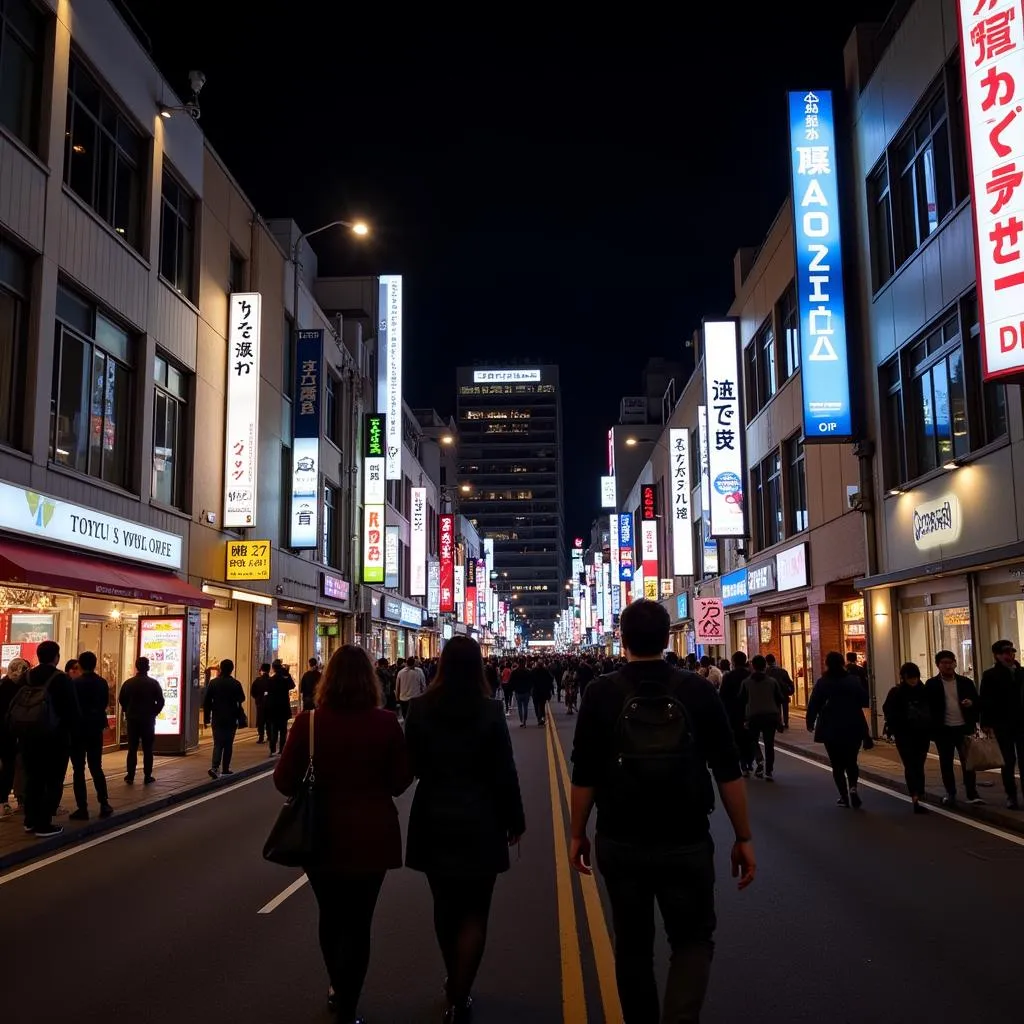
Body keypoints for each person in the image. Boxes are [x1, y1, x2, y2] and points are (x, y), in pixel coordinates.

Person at [569, 600, 756, 1023]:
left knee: (632, 945)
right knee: (692, 940)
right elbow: (727, 768)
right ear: (668, 635)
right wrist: (743, 836)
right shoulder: (696, 689)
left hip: (620, 836)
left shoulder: (601, 692)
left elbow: (585, 772)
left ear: (622, 637)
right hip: (686, 837)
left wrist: (577, 831)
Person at [275, 645, 412, 1023]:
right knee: (359, 920)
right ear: (372, 681)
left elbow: (283, 780)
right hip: (372, 835)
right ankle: (350, 1000)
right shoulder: (386, 723)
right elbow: (401, 782)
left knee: (331, 916)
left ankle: (338, 985)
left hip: (321, 835)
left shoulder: (310, 723)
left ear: (326, 680)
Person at [405, 636, 525, 1024]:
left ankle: (454, 982)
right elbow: (505, 771)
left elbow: (412, 766)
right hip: (483, 816)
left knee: (444, 906)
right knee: (476, 910)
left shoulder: (421, 709)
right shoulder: (490, 711)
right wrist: (515, 819)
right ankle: (460, 993)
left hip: (434, 814)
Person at [11, 641, 81, 838]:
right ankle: (44, 823)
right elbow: (72, 711)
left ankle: (30, 821)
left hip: (27, 736)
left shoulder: (26, 677)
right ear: (56, 657)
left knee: (33, 778)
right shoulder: (61, 679)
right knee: (53, 780)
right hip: (54, 738)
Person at [807, 651, 870, 808]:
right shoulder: (853, 681)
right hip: (853, 725)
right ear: (843, 663)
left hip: (831, 727)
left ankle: (843, 796)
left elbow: (814, 703)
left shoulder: (822, 682)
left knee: (837, 764)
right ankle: (853, 788)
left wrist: (810, 721)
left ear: (827, 663)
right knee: (851, 761)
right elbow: (864, 699)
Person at [924, 650, 982, 807]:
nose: (948, 666)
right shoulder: (932, 684)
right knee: (946, 762)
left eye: (951, 662)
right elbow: (927, 707)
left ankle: (972, 792)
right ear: (938, 665)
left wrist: (971, 705)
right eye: (944, 663)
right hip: (943, 730)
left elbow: (977, 702)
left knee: (968, 762)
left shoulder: (965, 682)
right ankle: (951, 792)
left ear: (955, 663)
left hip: (964, 727)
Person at [979, 639, 1024, 809]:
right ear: (997, 656)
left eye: (1012, 652)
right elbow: (985, 700)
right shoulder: (990, 675)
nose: (1009, 656)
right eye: (1005, 653)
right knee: (1008, 761)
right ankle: (1011, 795)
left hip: (1021, 723)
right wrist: (985, 723)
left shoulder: (1021, 673)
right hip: (1002, 724)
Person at [883, 662, 933, 813]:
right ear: (903, 677)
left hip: (920, 733)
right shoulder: (899, 692)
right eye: (910, 678)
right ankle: (915, 795)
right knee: (911, 764)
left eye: (914, 677)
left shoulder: (923, 691)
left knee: (918, 763)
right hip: (905, 734)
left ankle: (919, 791)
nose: (913, 680)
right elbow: (888, 711)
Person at [69, 651, 113, 820]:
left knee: (78, 769)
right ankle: (104, 803)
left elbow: (72, 706)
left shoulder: (75, 683)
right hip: (95, 728)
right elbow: (104, 704)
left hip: (78, 729)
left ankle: (82, 807)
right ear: (95, 664)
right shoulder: (102, 682)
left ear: (79, 664)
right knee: (96, 767)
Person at [118, 657, 165, 785]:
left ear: (136, 666)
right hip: (148, 720)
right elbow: (161, 701)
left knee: (132, 748)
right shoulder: (153, 683)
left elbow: (122, 699)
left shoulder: (128, 683)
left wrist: (128, 710)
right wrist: (154, 712)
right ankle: (147, 775)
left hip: (132, 719)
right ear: (147, 667)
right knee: (148, 748)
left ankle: (130, 775)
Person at [741, 655, 784, 780]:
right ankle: (768, 771)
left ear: (753, 666)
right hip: (770, 716)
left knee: (753, 741)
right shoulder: (772, 682)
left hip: (753, 716)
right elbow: (779, 698)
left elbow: (741, 700)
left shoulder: (746, 682)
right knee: (769, 744)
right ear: (765, 666)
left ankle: (759, 759)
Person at [204, 659, 246, 778]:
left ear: (220, 668)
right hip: (231, 717)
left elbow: (207, 701)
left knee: (218, 743)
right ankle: (226, 768)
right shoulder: (236, 683)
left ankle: (214, 767)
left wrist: (206, 718)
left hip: (217, 716)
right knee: (228, 743)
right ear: (232, 669)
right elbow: (242, 698)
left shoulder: (213, 683)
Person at [0, 657, 31, 817]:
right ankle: (11, 800)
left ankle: (7, 800)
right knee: (11, 767)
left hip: (9, 733)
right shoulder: (18, 688)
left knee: (10, 766)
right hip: (12, 733)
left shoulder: (5, 685)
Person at [265, 659, 296, 755]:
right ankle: (282, 749)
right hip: (283, 707)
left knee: (273, 729)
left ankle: (272, 749)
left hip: (273, 707)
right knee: (283, 730)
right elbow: (292, 685)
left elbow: (267, 692)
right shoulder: (285, 679)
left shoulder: (271, 680)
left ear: (273, 668)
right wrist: (287, 674)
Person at [764, 654, 794, 730]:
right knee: (785, 708)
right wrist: (791, 691)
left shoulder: (766, 672)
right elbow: (789, 682)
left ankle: (779, 722)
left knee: (777, 708)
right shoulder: (782, 671)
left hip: (774, 693)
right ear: (775, 660)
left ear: (767, 662)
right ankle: (786, 722)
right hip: (784, 692)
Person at [251, 663, 271, 743]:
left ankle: (261, 737)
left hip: (260, 703)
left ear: (261, 670)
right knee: (269, 720)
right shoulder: (271, 680)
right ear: (269, 670)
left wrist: (257, 698)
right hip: (269, 704)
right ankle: (269, 736)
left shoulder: (257, 680)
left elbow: (252, 692)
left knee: (260, 721)